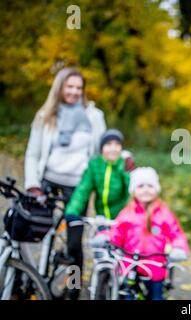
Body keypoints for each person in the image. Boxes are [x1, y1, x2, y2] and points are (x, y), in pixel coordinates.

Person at [24, 67, 106, 299]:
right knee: (36, 231)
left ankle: (73, 288)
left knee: (74, 242)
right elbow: (32, 153)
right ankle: (29, 278)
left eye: (79, 88)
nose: (74, 92)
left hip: (78, 186)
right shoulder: (45, 115)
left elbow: (104, 150)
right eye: (69, 87)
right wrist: (32, 184)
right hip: (47, 181)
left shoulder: (93, 116)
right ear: (60, 88)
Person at [63, 128, 134, 299]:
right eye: (108, 144)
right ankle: (96, 284)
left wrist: (127, 170)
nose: (113, 148)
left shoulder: (124, 165)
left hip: (123, 220)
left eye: (117, 145)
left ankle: (126, 288)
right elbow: (83, 190)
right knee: (100, 254)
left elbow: (133, 189)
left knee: (124, 258)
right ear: (101, 148)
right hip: (103, 220)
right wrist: (72, 211)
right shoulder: (95, 166)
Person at [110, 167, 189, 300]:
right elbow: (116, 232)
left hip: (155, 266)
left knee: (156, 297)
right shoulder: (127, 213)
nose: (145, 189)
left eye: (150, 186)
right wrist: (109, 243)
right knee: (126, 295)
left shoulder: (164, 213)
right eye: (140, 186)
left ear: (156, 189)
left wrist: (179, 248)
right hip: (130, 265)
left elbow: (176, 234)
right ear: (133, 191)